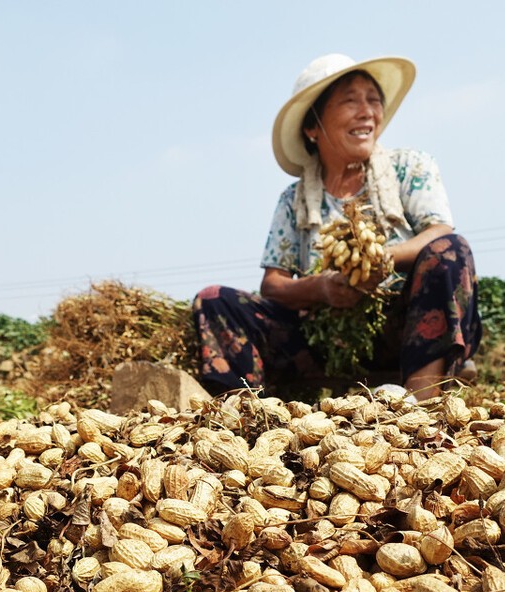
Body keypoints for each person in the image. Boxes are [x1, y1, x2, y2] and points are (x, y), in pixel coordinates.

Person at [193, 53, 481, 401]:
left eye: (373, 101)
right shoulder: (293, 200)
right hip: (322, 341)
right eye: (350, 101)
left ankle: (421, 404)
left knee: (450, 249)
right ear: (313, 127)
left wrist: (381, 259)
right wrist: (322, 288)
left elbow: (439, 231)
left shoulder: (409, 166)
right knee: (214, 300)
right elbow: (273, 284)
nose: (367, 112)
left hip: (403, 329)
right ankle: (244, 415)